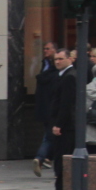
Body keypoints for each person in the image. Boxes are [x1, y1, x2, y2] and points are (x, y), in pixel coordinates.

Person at [48, 47, 77, 190]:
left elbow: (66, 103)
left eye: (60, 59)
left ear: (69, 59)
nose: (57, 62)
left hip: (66, 126)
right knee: (60, 158)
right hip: (64, 124)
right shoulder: (63, 75)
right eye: (56, 59)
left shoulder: (69, 77)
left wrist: (59, 124)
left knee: (61, 158)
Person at [33, 41, 59, 176]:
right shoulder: (47, 64)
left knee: (50, 135)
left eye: (48, 49)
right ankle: (42, 157)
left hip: (49, 106)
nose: (45, 51)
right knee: (49, 135)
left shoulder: (53, 66)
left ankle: (46, 157)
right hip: (48, 107)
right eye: (44, 49)